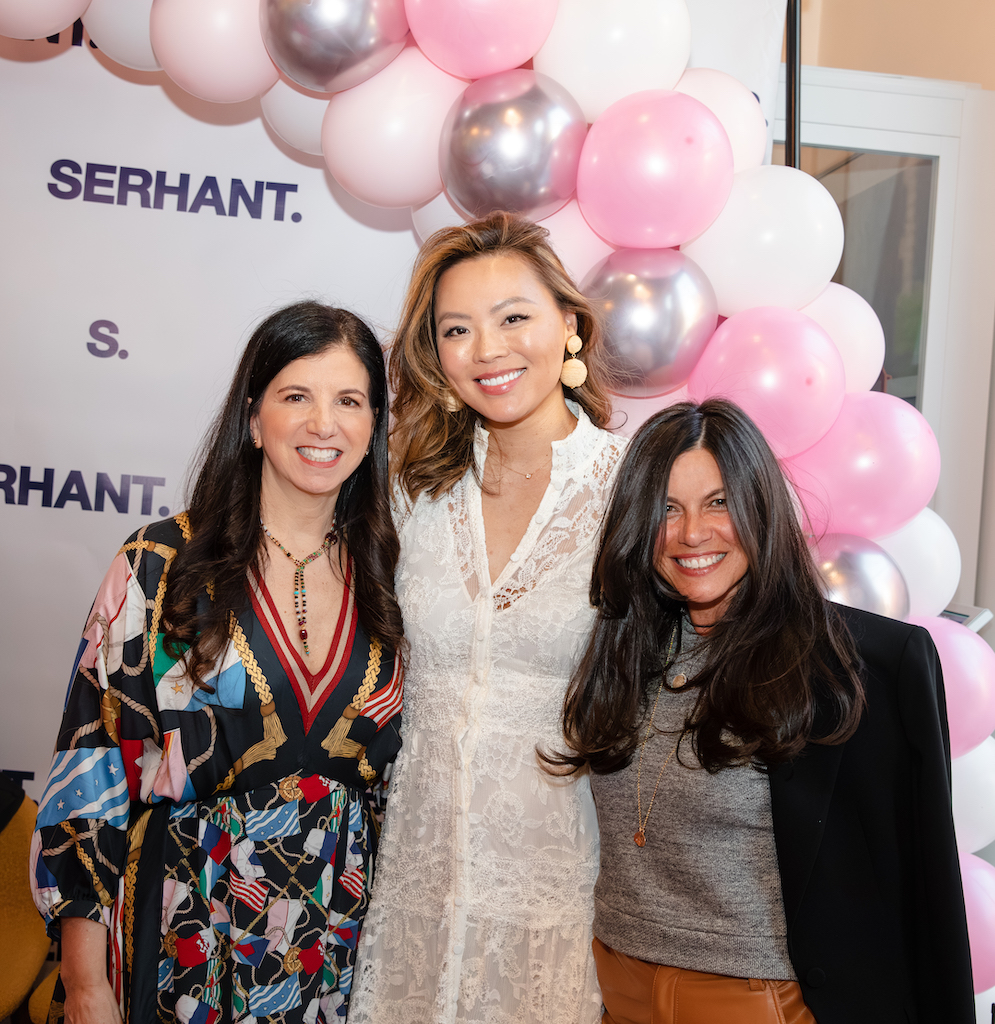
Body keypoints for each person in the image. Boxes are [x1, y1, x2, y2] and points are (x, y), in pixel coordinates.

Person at [30, 301, 405, 1023]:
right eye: (296, 395)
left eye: (349, 400)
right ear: (254, 416)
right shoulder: (162, 564)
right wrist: (85, 982)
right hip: (182, 925)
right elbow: (91, 769)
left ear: (373, 428)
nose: (323, 423)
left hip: (336, 944)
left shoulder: (394, 579)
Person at [548, 397, 974, 1024]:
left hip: (754, 1003)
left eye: (718, 502)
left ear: (760, 506)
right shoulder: (624, 648)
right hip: (618, 992)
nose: (692, 533)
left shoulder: (859, 665)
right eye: (667, 508)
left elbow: (924, 895)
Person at [348, 212, 626, 1024]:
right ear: (435, 356)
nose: (488, 349)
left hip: (561, 898)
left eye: (514, 318)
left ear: (568, 325)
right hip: (415, 891)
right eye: (456, 330)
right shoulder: (414, 488)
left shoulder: (633, 489)